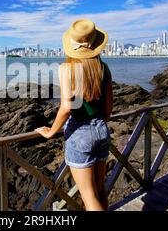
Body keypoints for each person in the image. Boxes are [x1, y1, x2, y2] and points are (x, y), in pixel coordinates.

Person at [35, 19, 113, 211]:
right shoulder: (103, 68)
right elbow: (109, 109)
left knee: (88, 196)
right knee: (101, 189)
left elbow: (67, 106)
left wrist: (51, 131)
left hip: (79, 133)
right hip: (101, 130)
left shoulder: (66, 69)